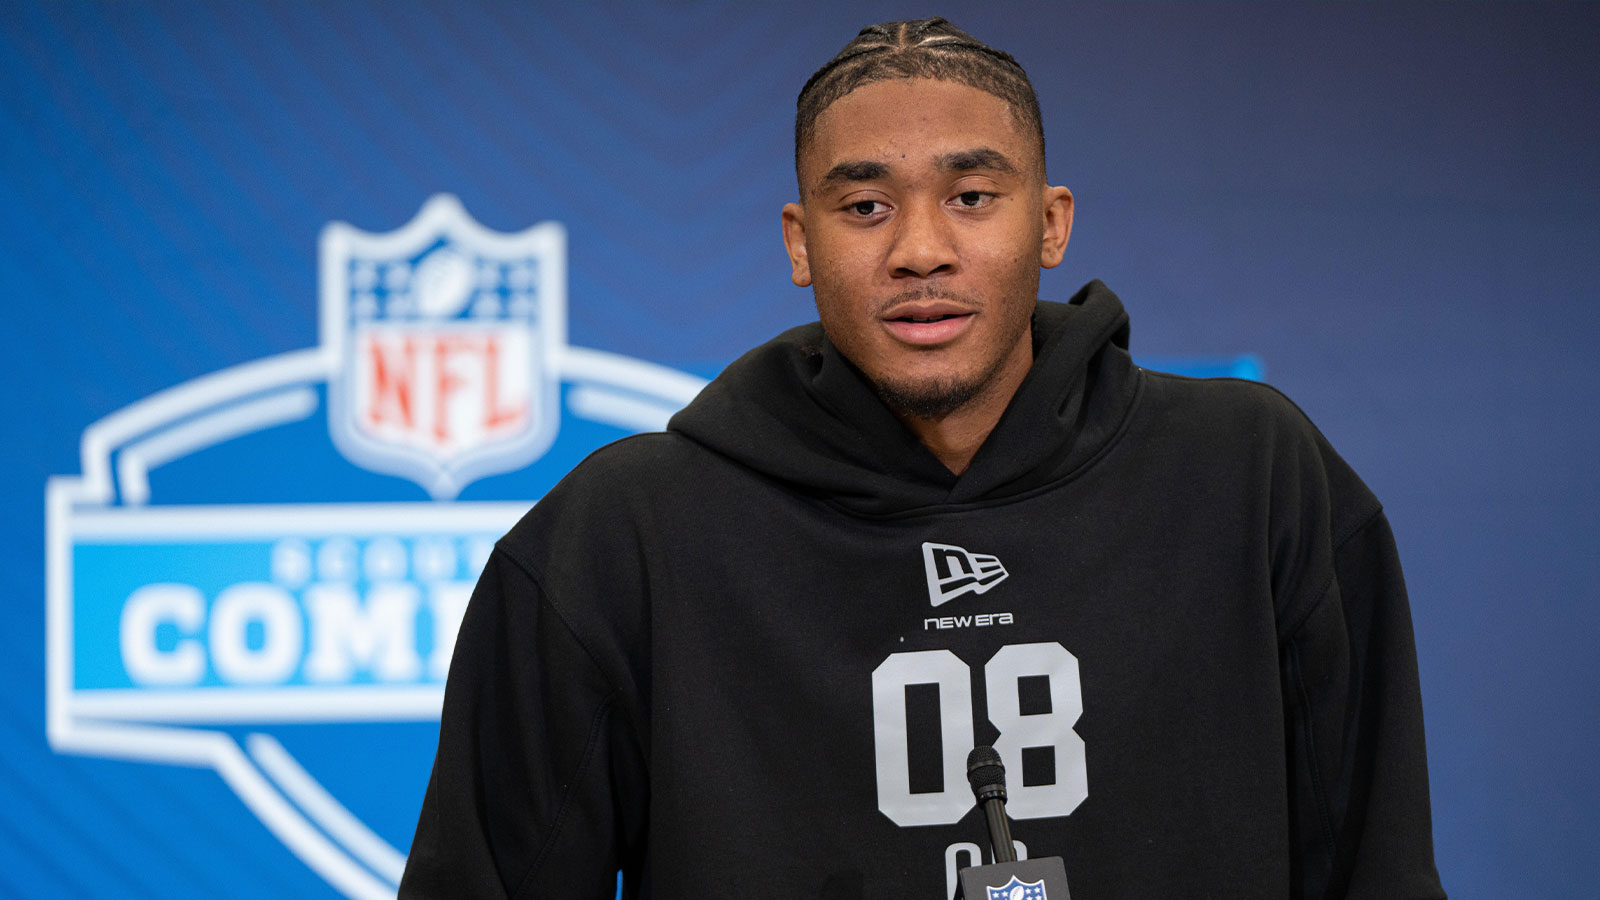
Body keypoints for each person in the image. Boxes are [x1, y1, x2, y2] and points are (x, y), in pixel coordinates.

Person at [400, 17, 1445, 900]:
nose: (919, 251)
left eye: (971, 196)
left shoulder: (1252, 475)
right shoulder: (626, 533)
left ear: (1052, 224)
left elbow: (1376, 870)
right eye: (864, 207)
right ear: (799, 241)